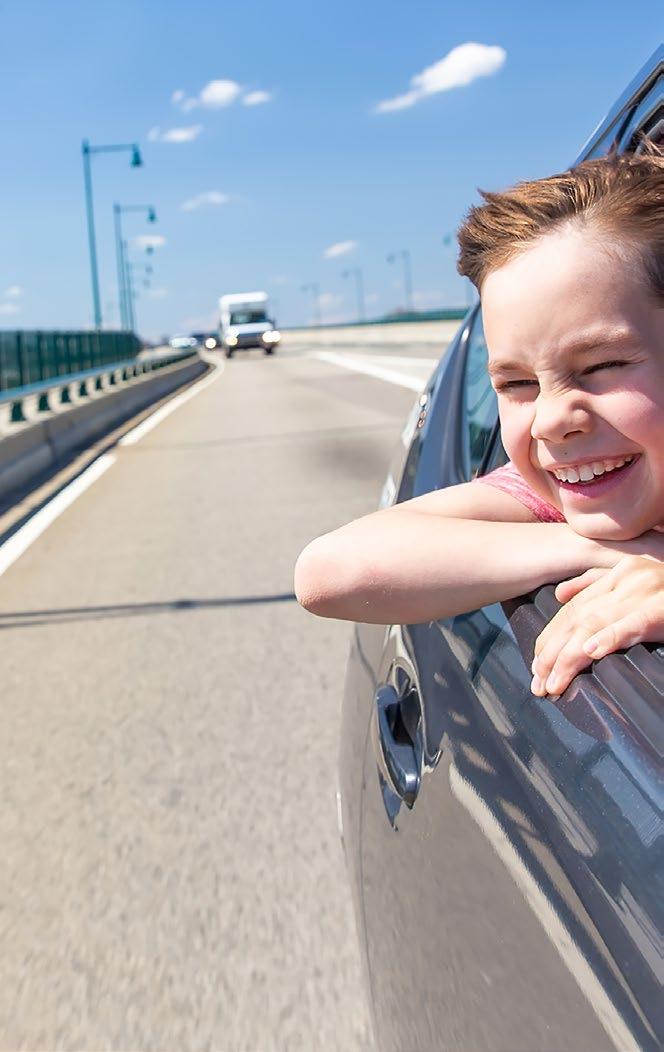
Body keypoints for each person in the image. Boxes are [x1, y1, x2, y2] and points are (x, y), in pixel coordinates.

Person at [294, 145, 664, 699]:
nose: (551, 421)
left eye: (602, 365)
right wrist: (611, 552)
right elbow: (328, 572)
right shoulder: (554, 498)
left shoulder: (585, 473)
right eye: (517, 385)